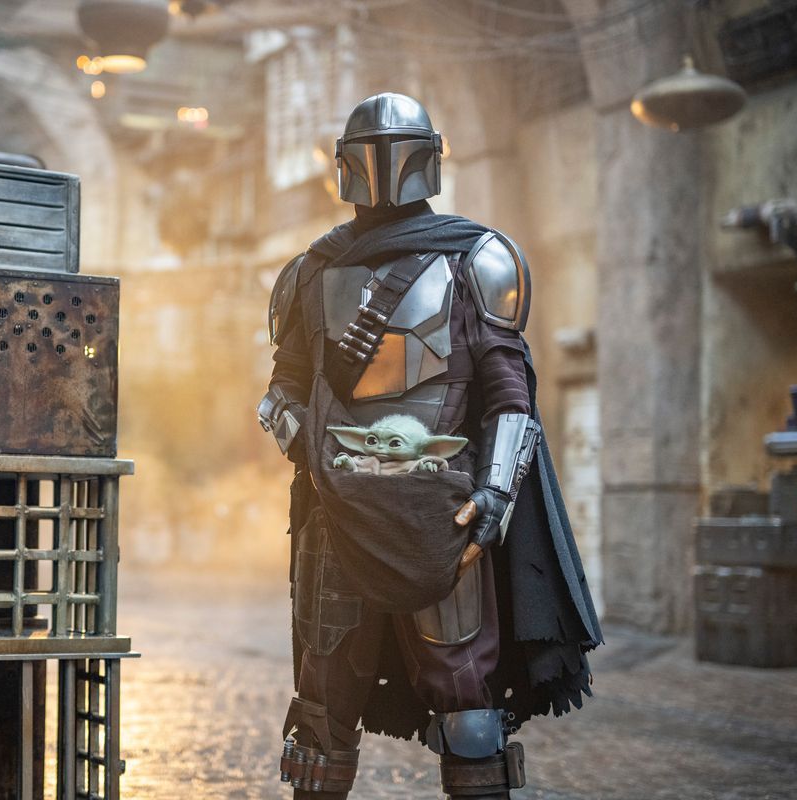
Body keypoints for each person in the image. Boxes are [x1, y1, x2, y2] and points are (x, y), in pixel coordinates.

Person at [257, 92, 602, 800]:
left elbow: (511, 396)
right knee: (324, 714)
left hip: (441, 520)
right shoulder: (310, 273)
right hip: (344, 518)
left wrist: (495, 496)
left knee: (468, 709)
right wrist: (315, 455)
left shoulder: (476, 258)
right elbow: (280, 393)